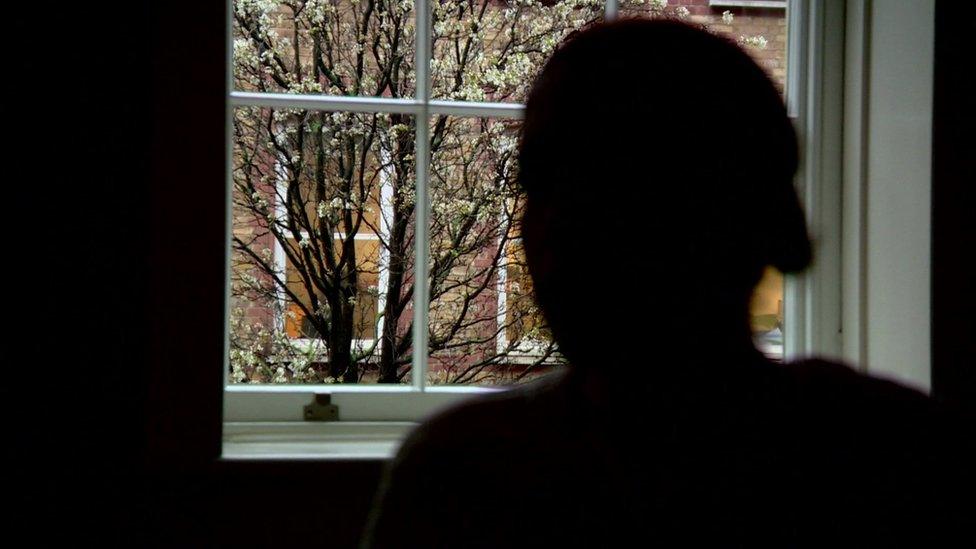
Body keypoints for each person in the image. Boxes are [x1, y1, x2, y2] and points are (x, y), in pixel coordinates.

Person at [362, 19, 973, 547]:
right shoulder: (889, 450)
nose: (550, 232)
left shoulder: (468, 473)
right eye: (542, 186)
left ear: (743, 216)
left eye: (623, 189)